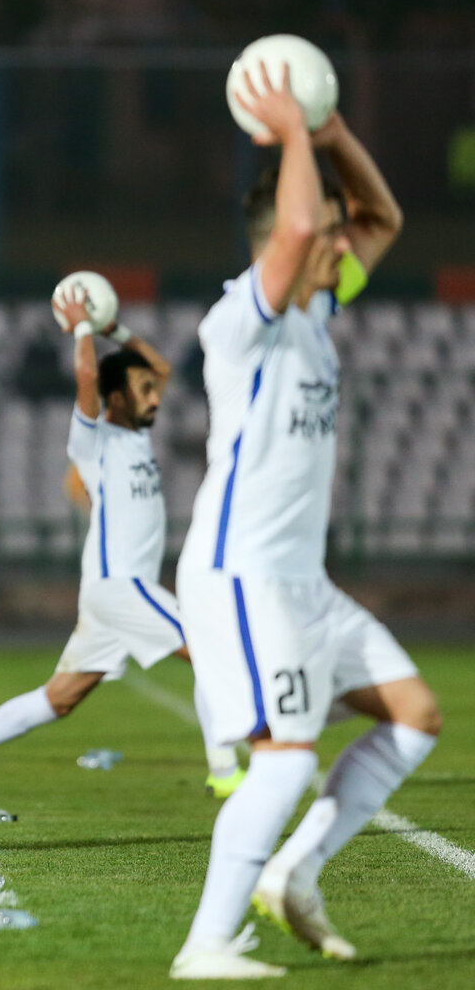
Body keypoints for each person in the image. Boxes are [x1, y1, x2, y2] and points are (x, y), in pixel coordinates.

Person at [169, 65, 440, 979]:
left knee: (412, 715)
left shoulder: (318, 310)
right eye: (329, 233)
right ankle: (206, 946)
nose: (341, 242)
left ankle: (295, 874)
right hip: (240, 575)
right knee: (284, 763)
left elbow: (385, 216)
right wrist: (289, 133)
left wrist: (327, 135)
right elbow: (294, 225)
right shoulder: (241, 325)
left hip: (301, 583)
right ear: (284, 247)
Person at [0, 285, 243, 800]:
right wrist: (81, 328)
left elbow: (157, 367)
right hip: (121, 588)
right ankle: (225, 771)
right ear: (115, 397)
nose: (156, 395)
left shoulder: (137, 433)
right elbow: (90, 376)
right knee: (210, 651)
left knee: (61, 699)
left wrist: (114, 326)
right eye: (142, 390)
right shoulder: (95, 440)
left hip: (114, 593)